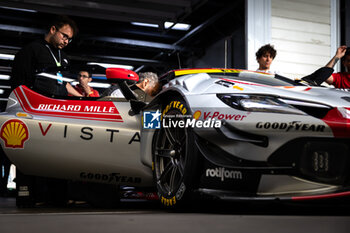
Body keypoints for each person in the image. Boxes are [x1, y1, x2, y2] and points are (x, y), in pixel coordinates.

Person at [11, 15, 82, 97]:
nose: (66, 42)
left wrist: (81, 97)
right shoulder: (32, 49)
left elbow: (64, 83)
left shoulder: (64, 57)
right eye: (65, 36)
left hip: (59, 105)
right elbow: (18, 81)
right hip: (37, 104)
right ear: (53, 30)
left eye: (69, 39)